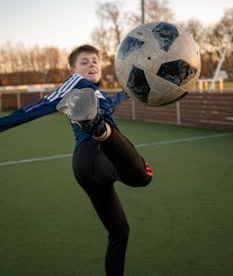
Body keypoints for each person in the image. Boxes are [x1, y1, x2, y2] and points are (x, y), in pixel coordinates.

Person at [0, 44, 153, 276]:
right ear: (73, 71)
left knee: (119, 233)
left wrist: (130, 89)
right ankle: (100, 130)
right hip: (95, 151)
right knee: (142, 176)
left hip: (86, 168)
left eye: (95, 61)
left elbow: (113, 101)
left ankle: (99, 128)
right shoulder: (75, 84)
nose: (92, 64)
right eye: (84, 62)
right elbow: (35, 108)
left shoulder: (98, 94)